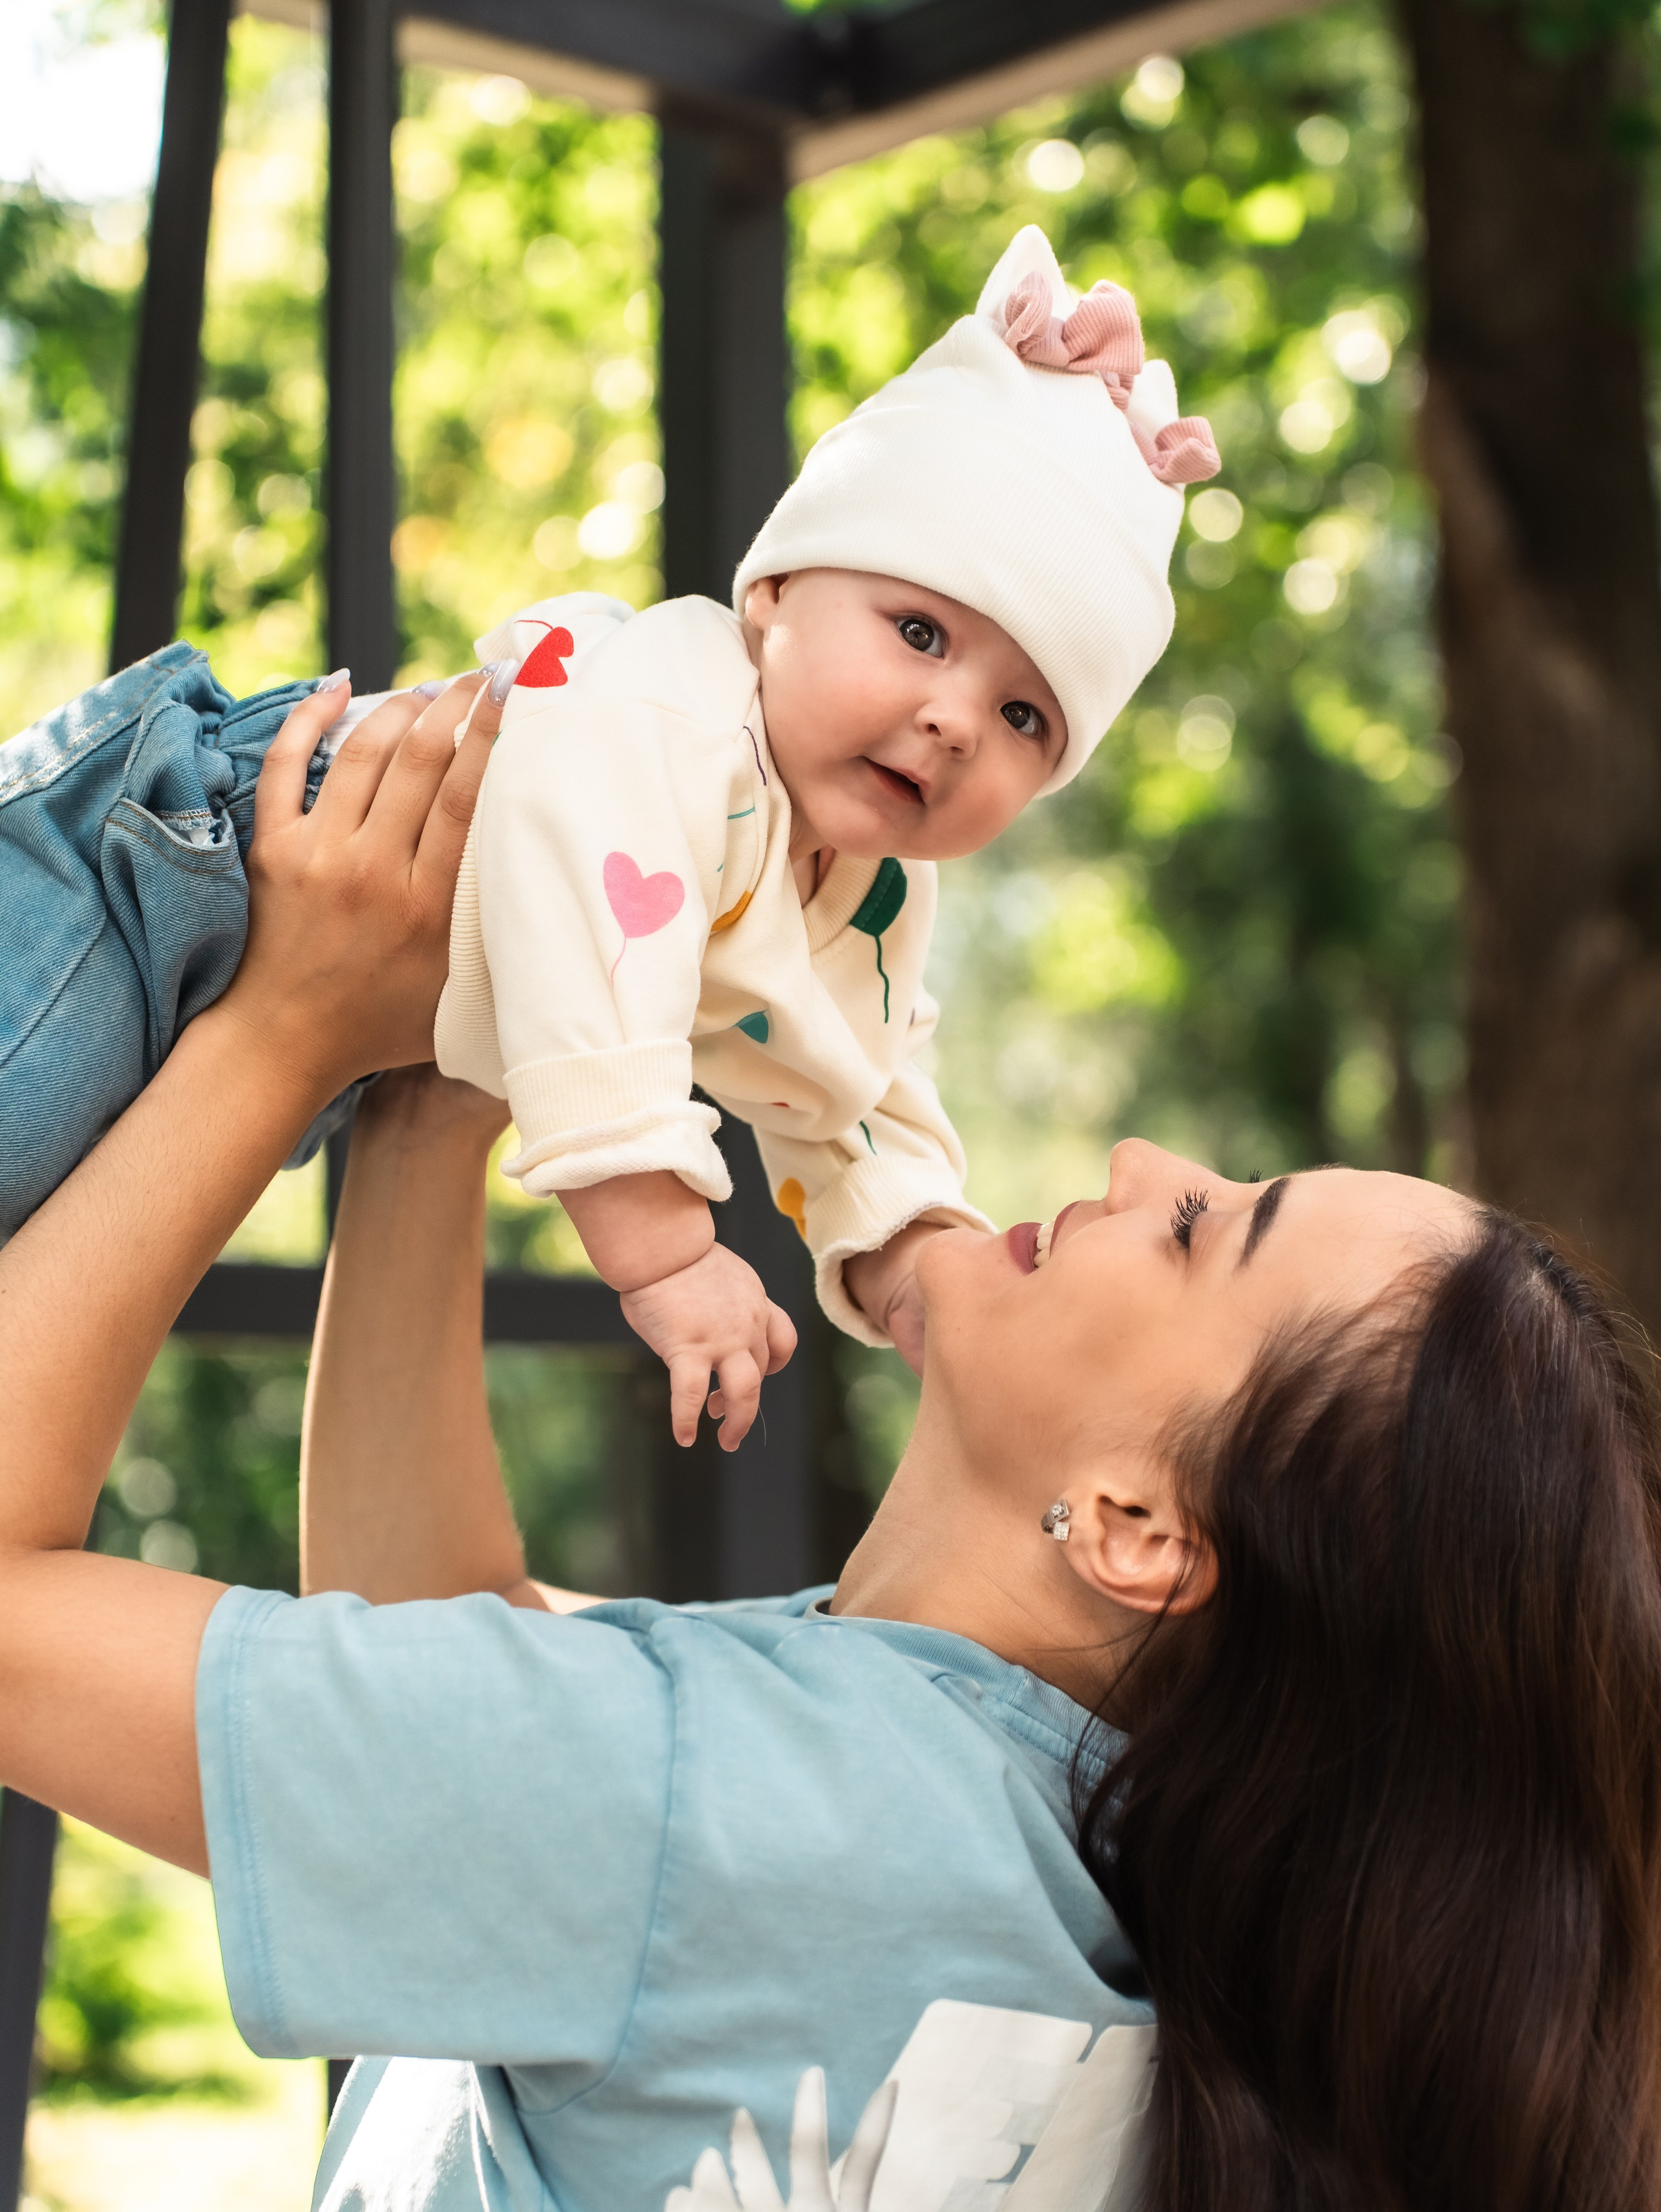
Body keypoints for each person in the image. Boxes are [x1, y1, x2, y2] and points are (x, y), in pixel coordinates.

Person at [2, 678, 1658, 2212]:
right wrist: (442, 1085)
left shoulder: (733, 1807)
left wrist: (280, 1030)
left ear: (1148, 1527)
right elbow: (466, 1685)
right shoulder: (1018, 1856)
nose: (1147, 1160)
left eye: (1204, 1229)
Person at [0, 223, 1219, 1451]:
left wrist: (913, 1257)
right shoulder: (670, 705)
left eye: (1025, 715)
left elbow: (856, 1079)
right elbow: (590, 926)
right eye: (919, 632)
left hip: (304, 999)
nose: (954, 719)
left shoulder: (869, 893)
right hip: (171, 860)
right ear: (777, 593)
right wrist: (666, 1249)